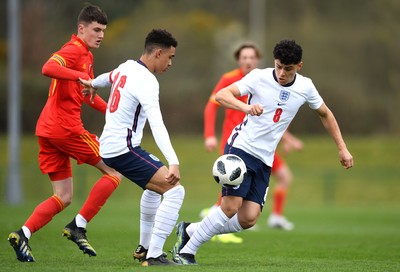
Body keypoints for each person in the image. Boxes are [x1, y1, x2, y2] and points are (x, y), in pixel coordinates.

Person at [172, 39, 354, 265]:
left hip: (265, 159)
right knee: (229, 207)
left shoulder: (306, 87)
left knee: (249, 219)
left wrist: (342, 148)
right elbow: (221, 95)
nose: (282, 73)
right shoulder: (259, 77)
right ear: (274, 62)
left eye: (288, 69)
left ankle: (190, 229)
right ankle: (187, 251)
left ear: (299, 66)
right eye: (279, 66)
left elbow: (325, 114)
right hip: (241, 148)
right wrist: (246, 107)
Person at [8, 5, 122, 262]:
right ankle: (77, 227)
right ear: (81, 29)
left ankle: (23, 234)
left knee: (64, 196)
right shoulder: (73, 50)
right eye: (96, 29)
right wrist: (79, 74)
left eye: (103, 30)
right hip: (65, 128)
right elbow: (48, 67)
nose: (100, 35)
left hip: (47, 131)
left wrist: (112, 112)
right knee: (115, 171)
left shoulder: (87, 57)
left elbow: (87, 92)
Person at [79, 29, 184, 267]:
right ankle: (154, 256)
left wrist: (92, 83)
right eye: (170, 57)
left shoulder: (127, 67)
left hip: (111, 147)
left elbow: (110, 76)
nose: (170, 63)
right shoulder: (147, 80)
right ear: (159, 52)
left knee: (155, 188)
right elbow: (157, 124)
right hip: (123, 149)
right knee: (175, 190)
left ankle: (143, 248)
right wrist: (174, 160)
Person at [202, 43, 303, 235]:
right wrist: (209, 136)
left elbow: (276, 117)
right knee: (233, 180)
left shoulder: (268, 80)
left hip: (263, 147)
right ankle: (214, 218)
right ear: (239, 60)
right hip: (237, 141)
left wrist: (286, 139)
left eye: (251, 57)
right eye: (244, 57)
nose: (248, 61)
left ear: (257, 59)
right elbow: (212, 105)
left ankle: (275, 216)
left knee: (284, 177)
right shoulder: (230, 79)